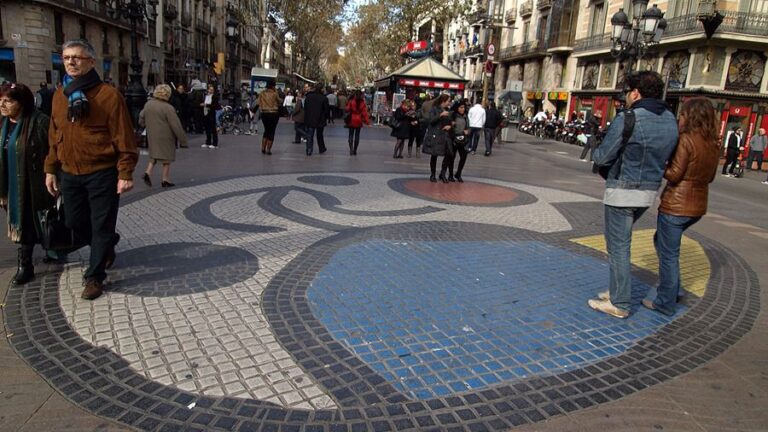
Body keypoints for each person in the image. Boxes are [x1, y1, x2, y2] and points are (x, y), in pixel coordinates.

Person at [44, 39, 138, 300]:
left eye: (77, 57)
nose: (71, 62)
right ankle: (106, 243)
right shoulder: (59, 96)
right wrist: (51, 168)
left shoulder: (108, 96)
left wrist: (125, 172)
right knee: (73, 222)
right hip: (70, 173)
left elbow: (124, 137)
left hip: (102, 172)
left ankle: (94, 277)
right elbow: (54, 135)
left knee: (101, 224)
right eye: (66, 58)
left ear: (91, 62)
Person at [588, 71, 679, 319]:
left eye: (628, 93)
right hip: (649, 191)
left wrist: (597, 150)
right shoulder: (670, 119)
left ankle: (620, 303)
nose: (626, 98)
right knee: (621, 244)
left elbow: (603, 156)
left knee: (618, 246)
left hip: (622, 191)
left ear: (636, 93)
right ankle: (618, 290)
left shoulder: (629, 118)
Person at [646, 97, 721, 316]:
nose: (680, 118)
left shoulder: (686, 140)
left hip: (676, 205)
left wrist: (661, 164)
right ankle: (674, 289)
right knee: (662, 242)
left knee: (669, 254)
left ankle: (665, 302)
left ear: (690, 116)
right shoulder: (713, 142)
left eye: (683, 114)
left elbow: (674, 174)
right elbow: (711, 177)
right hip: (698, 206)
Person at [0, 83, 55, 284]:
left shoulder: (39, 122)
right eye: (1, 100)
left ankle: (28, 264)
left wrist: (52, 173)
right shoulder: (2, 124)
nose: (2, 105)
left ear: (22, 103)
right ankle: (30, 261)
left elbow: (54, 150)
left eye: (9, 101)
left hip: (35, 183)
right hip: (10, 186)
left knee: (36, 221)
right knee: (24, 223)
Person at [139, 84, 188, 188]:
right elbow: (176, 125)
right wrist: (183, 141)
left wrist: (146, 124)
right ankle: (165, 178)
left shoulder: (149, 104)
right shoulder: (168, 108)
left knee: (154, 154)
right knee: (167, 157)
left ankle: (148, 172)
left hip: (152, 134)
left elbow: (141, 117)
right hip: (166, 135)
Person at [422, 94, 454, 182]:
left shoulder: (448, 110)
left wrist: (450, 126)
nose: (449, 103)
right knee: (434, 154)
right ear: (443, 101)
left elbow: (450, 122)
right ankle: (432, 174)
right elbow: (431, 121)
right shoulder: (434, 109)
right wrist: (440, 115)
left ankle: (443, 173)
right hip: (436, 135)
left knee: (449, 154)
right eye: (448, 101)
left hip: (445, 135)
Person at [303, 83, 329, 156]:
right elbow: (326, 110)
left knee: (310, 135)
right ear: (321, 89)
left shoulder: (308, 96)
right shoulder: (324, 98)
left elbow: (305, 108)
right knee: (319, 135)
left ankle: (309, 150)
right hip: (320, 119)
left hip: (310, 118)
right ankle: (321, 148)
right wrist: (326, 118)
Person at [448, 101, 470, 182]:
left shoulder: (465, 116)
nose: (462, 109)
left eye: (463, 107)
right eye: (461, 107)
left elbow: (468, 127)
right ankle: (450, 175)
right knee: (452, 157)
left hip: (463, 139)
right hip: (454, 139)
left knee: (463, 157)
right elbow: (447, 125)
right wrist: (451, 125)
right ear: (457, 108)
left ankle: (458, 173)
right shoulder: (453, 115)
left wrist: (467, 131)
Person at [257, 81, 281, 155]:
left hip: (264, 113)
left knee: (266, 130)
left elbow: (258, 102)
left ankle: (263, 148)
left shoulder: (262, 93)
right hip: (274, 113)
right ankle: (268, 150)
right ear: (273, 86)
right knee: (271, 131)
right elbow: (279, 101)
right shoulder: (274, 93)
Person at [344, 90, 370, 155]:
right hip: (359, 120)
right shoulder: (362, 103)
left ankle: (351, 149)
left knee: (350, 135)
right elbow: (365, 113)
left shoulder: (351, 101)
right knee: (357, 136)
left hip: (351, 119)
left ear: (355, 95)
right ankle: (355, 150)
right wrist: (367, 122)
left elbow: (347, 109)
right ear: (361, 95)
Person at [200, 84, 220, 148]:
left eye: (212, 90)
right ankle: (208, 142)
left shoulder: (214, 97)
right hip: (205, 113)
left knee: (213, 129)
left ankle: (215, 143)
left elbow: (215, 105)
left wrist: (206, 105)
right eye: (210, 89)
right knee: (207, 128)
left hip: (211, 114)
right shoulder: (205, 96)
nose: (210, 91)